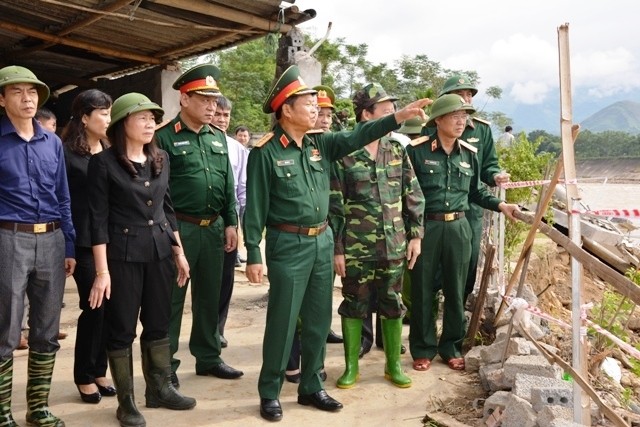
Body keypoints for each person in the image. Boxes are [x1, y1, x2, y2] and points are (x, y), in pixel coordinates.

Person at [243, 65, 431, 421]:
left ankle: (312, 386)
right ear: (286, 109)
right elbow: (254, 208)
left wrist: (398, 118)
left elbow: (359, 134)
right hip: (288, 244)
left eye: (316, 103)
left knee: (318, 319)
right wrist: (253, 252)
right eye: (308, 103)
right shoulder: (265, 153)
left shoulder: (319, 144)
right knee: (283, 322)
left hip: (322, 241)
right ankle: (270, 391)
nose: (316, 109)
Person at [88, 93, 196, 427]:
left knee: (159, 322)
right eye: (143, 118)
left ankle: (160, 388)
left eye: (153, 118)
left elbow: (167, 208)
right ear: (123, 124)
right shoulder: (103, 164)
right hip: (123, 256)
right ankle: (127, 402)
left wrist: (179, 252)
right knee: (121, 328)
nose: (150, 124)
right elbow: (97, 219)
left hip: (160, 253)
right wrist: (102, 271)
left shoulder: (160, 157)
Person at [406, 94, 519, 372]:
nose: (461, 121)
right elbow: (405, 193)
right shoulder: (416, 150)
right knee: (422, 289)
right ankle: (422, 348)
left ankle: (451, 347)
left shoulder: (469, 153)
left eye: (464, 116)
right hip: (426, 227)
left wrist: (500, 204)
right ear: (438, 120)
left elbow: (476, 192)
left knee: (457, 289)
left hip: (459, 227)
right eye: (455, 116)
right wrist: (412, 233)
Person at [330, 83, 425, 389]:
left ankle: (393, 366)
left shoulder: (396, 150)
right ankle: (351, 367)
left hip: (394, 244)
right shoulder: (344, 154)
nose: (392, 117)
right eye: (385, 112)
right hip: (356, 248)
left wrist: (415, 236)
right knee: (353, 304)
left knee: (393, 302)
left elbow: (413, 195)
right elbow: (334, 205)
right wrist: (338, 249)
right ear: (365, 115)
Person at [155, 64, 242, 387]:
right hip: (181, 229)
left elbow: (228, 185)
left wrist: (232, 222)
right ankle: (166, 365)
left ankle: (208, 356)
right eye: (204, 99)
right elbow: (158, 193)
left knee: (209, 295)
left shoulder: (218, 137)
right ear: (184, 99)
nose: (211, 107)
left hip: (214, 229)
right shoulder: (164, 137)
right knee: (172, 300)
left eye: (213, 100)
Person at [0, 65, 76, 427]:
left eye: (32, 92)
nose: (27, 98)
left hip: (52, 239)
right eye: (17, 92)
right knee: (6, 327)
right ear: (2, 99)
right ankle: (2, 413)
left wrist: (70, 244)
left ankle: (38, 408)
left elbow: (63, 196)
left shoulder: (53, 143)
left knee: (46, 326)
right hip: (7, 238)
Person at [61, 89, 116, 404]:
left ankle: (99, 370)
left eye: (109, 113)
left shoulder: (111, 150)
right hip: (82, 241)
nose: (109, 120)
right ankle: (83, 375)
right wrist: (67, 245)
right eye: (103, 114)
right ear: (84, 117)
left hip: (111, 242)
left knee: (111, 309)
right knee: (93, 307)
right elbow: (63, 202)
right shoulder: (66, 154)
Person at [284, 85, 342, 385]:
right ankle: (289, 365)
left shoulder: (327, 148)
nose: (322, 116)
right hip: (292, 240)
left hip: (324, 236)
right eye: (315, 108)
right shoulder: (276, 150)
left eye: (327, 113)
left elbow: (339, 201)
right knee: (290, 312)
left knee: (318, 311)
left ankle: (313, 376)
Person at [436, 75, 510, 305]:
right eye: (460, 94)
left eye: (469, 95)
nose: (466, 99)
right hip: (437, 209)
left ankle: (457, 315)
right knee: (434, 265)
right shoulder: (433, 129)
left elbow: (488, 165)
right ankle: (429, 310)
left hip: (471, 208)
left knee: (468, 263)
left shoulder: (481, 130)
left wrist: (495, 175)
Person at [210, 95, 249, 349]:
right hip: (198, 218)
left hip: (228, 219)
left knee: (225, 278)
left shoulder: (237, 149)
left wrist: (242, 223)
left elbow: (242, 188)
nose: (222, 120)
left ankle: (217, 330)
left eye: (226, 116)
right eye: (218, 115)